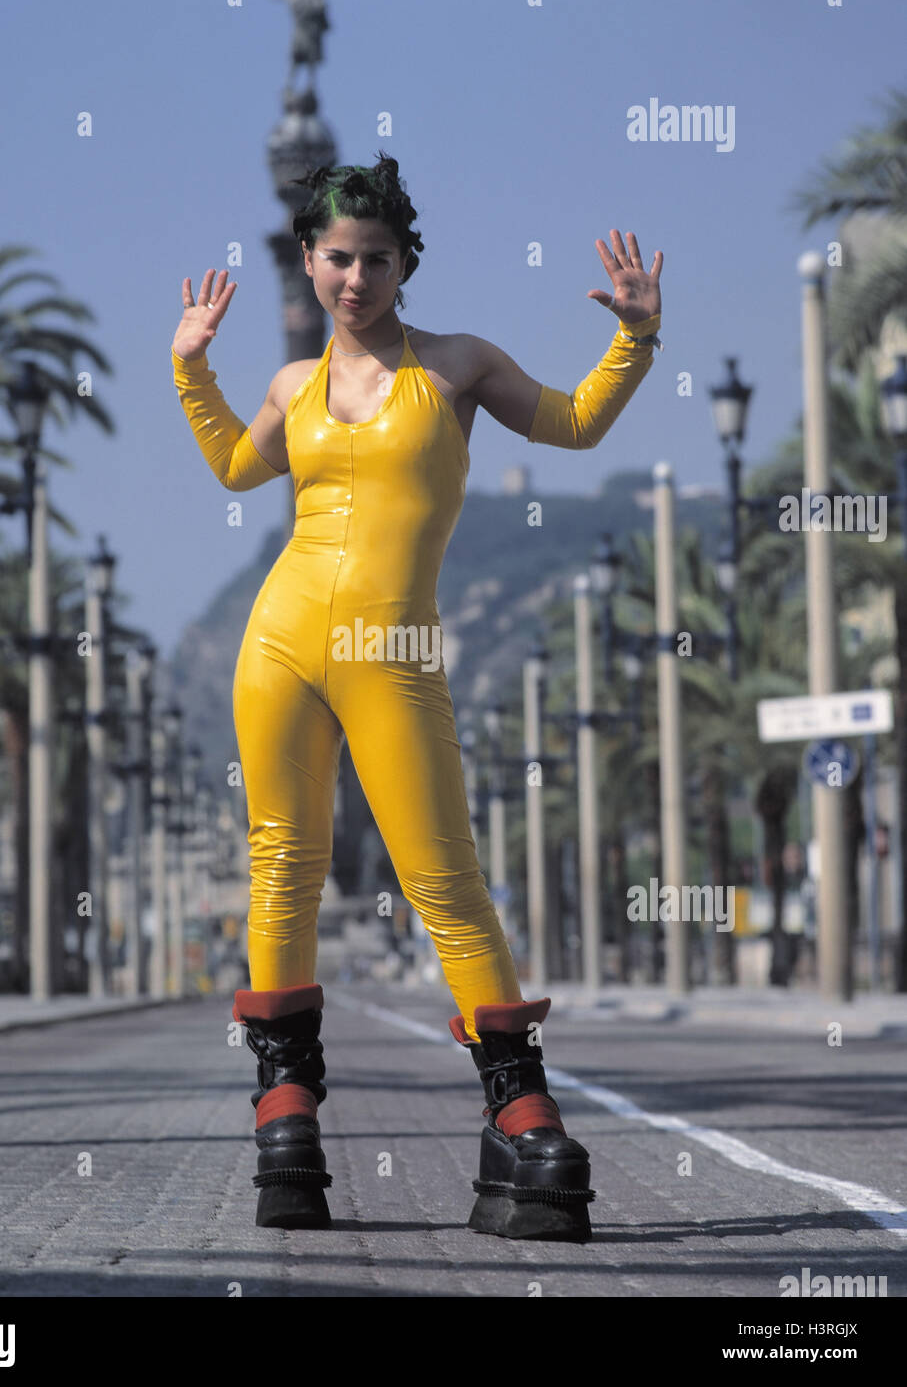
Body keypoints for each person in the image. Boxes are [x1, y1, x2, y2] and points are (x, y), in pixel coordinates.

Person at [171, 154, 662, 1240]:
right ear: (308, 263)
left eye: (376, 259)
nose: (355, 278)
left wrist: (632, 337)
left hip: (391, 651)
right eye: (337, 258)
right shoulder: (290, 387)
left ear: (405, 264)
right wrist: (189, 370)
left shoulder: (457, 365)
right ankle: (285, 1109)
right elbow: (233, 471)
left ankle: (518, 1107)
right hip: (278, 642)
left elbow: (572, 423)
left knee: (442, 876)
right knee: (282, 864)